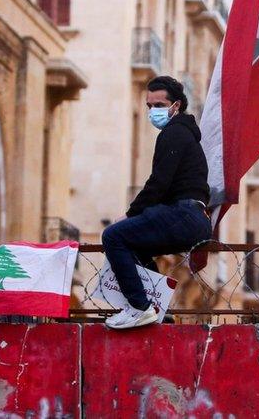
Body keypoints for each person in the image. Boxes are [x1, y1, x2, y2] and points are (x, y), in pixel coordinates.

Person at [102, 76, 213, 329]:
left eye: (159, 105)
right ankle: (157, 308)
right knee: (136, 247)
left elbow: (159, 183)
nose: (153, 111)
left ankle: (139, 307)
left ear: (176, 105)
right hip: (192, 217)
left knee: (113, 236)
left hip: (184, 214)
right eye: (149, 105)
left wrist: (131, 214)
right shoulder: (185, 134)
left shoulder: (174, 133)